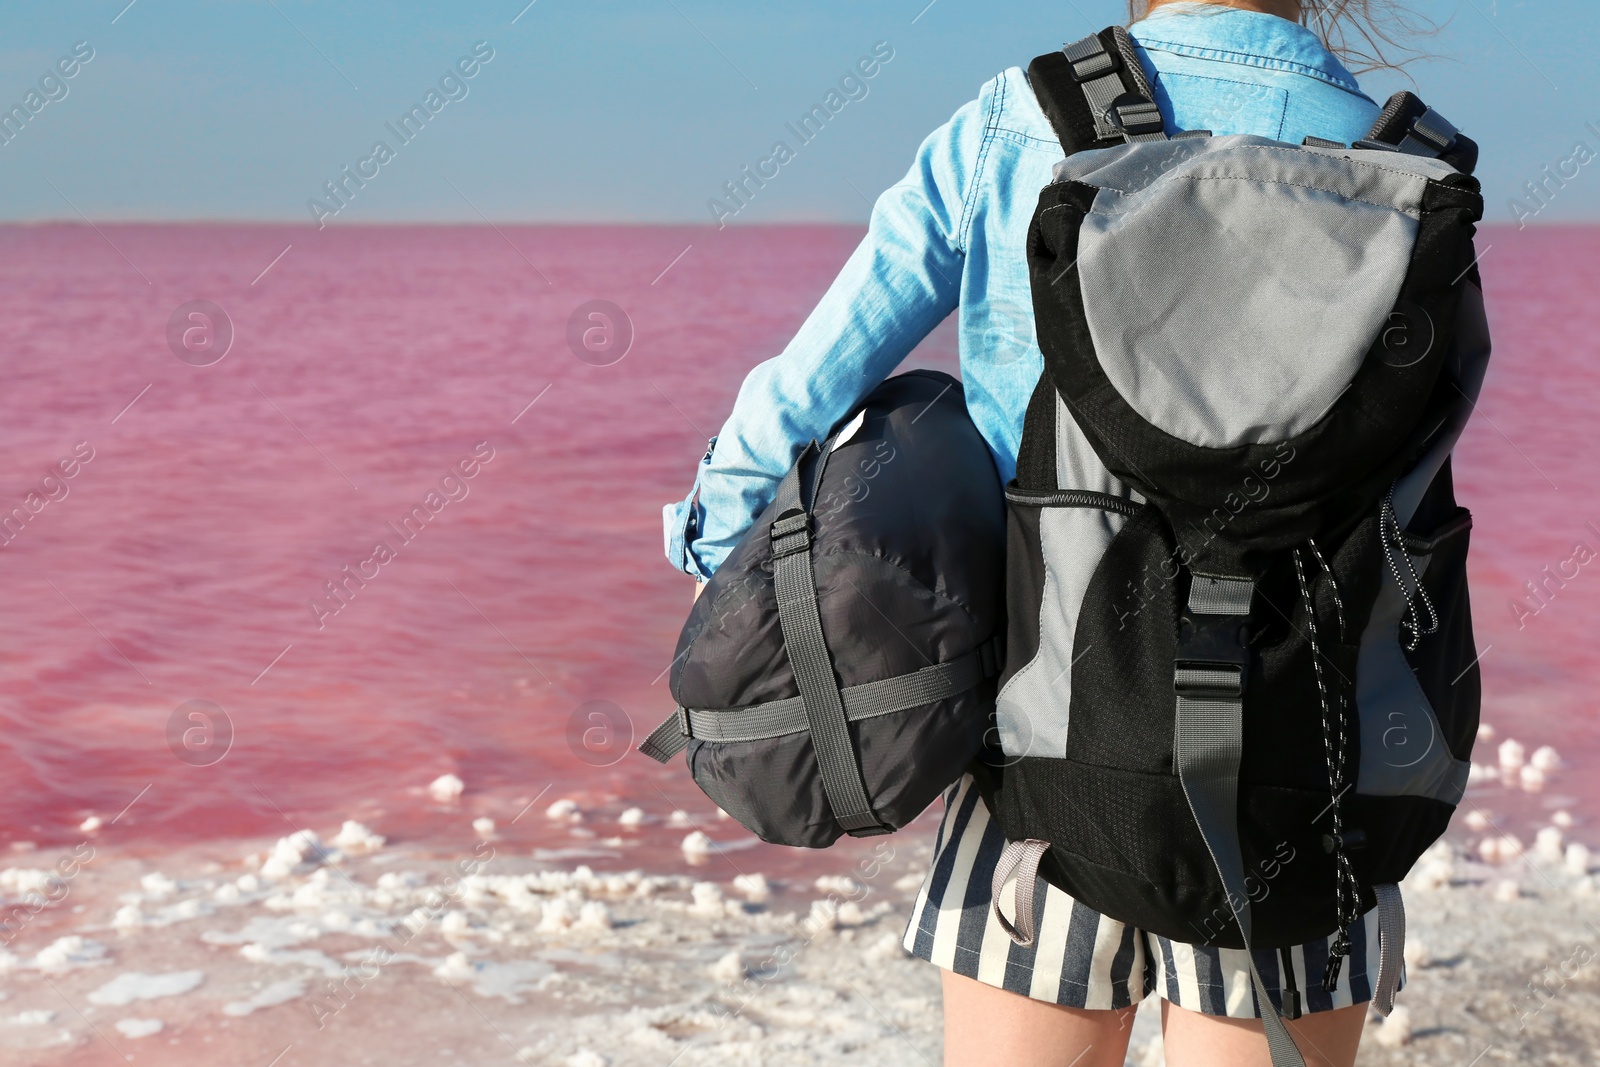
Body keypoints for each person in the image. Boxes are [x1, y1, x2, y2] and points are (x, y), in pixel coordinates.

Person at [662, 2, 1439, 1063]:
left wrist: (712, 552)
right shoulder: (1408, 164)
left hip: (1041, 764)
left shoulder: (1022, 118)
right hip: (1300, 783)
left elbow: (798, 403)